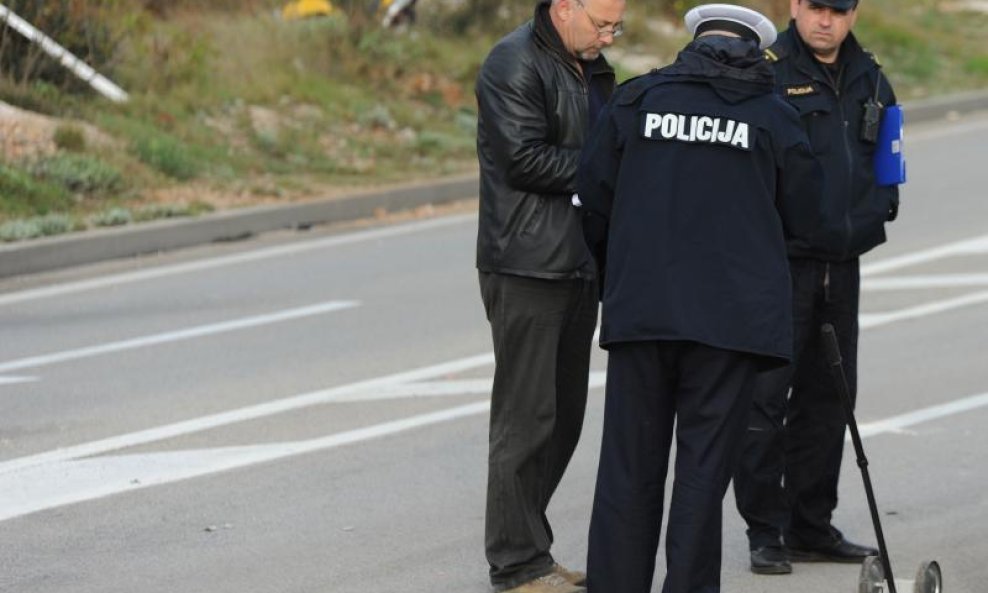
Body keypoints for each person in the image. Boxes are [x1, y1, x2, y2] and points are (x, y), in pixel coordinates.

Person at [576, 5, 823, 593]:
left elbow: (592, 202)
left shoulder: (636, 102)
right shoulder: (775, 117)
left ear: (695, 43)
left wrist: (625, 277)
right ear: (755, 51)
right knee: (702, 476)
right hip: (730, 325)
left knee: (628, 471)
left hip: (643, 314)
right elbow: (809, 219)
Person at [732, 0, 899, 576]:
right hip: (780, 264)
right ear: (795, 7)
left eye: (839, 9)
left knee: (830, 397)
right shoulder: (766, 71)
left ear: (855, 13)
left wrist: (881, 208)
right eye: (816, 7)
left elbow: (887, 149)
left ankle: (810, 524)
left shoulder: (869, 72)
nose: (826, 20)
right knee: (764, 401)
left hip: (843, 260)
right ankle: (765, 530)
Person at [474, 0, 626, 590]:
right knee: (526, 417)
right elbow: (524, 158)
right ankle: (516, 565)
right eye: (601, 23)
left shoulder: (594, 65)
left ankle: (532, 549)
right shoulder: (513, 62)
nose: (608, 35)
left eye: (617, 25)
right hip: (527, 264)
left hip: (579, 261)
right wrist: (613, 166)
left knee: (564, 418)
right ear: (565, 7)